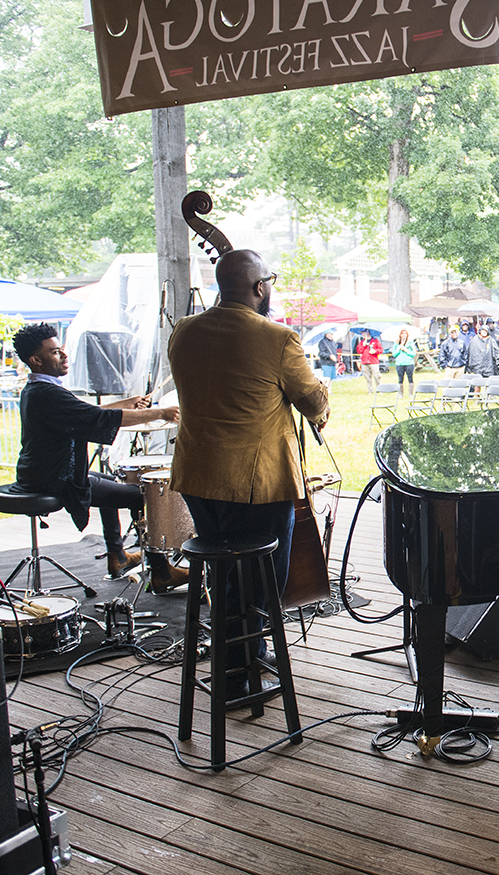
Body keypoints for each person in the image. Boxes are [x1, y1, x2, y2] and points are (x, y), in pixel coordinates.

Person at [168, 249, 330, 703]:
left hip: (199, 479)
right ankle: (238, 673)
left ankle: (239, 654)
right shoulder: (277, 339)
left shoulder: (183, 331)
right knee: (258, 583)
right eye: (270, 281)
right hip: (255, 485)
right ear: (259, 287)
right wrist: (323, 391)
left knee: (224, 578)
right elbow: (313, 403)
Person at [11, 323, 185, 592]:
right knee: (143, 497)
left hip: (40, 473)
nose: (65, 356)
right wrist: (160, 413)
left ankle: (117, 555)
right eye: (56, 352)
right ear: (35, 360)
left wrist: (126, 404)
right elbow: (98, 418)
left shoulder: (38, 389)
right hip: (54, 479)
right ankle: (162, 572)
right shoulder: (47, 394)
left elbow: (87, 412)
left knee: (110, 480)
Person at [389, 328, 416, 398]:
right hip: (399, 363)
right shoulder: (396, 343)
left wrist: (405, 350)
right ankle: (401, 393)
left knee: (410, 378)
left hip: (409, 363)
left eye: (405, 334)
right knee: (400, 379)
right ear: (400, 335)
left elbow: (413, 354)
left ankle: (410, 393)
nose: (404, 335)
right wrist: (399, 348)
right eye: (402, 333)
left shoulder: (410, 343)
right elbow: (394, 354)